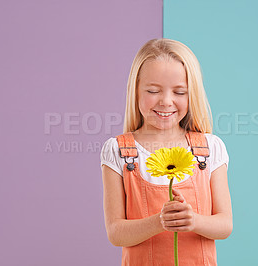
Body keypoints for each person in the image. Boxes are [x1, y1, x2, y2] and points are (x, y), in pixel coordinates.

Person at [100, 38, 233, 265]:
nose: (166, 101)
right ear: (136, 90)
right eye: (153, 90)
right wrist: (159, 221)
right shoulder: (117, 151)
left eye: (180, 92)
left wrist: (194, 221)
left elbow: (225, 225)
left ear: (193, 95)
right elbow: (116, 232)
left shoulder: (209, 149)